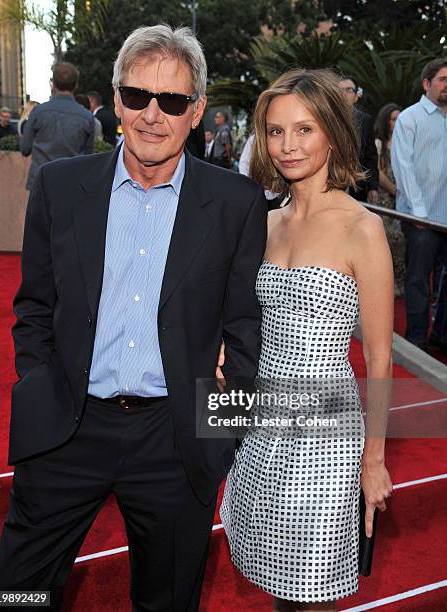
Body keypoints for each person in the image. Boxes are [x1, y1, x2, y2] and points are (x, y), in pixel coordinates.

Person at [0, 24, 267, 612]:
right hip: (66, 426)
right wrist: (40, 389)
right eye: (138, 96)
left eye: (172, 101)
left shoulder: (236, 203)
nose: (152, 115)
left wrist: (217, 435)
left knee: (167, 602)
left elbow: (245, 328)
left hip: (173, 440)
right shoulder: (61, 187)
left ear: (197, 111)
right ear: (115, 100)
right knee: (17, 592)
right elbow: (34, 308)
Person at [220, 69, 393, 611]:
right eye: (275, 131)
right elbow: (244, 320)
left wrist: (375, 460)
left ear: (334, 134)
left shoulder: (361, 228)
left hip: (327, 438)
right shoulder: (267, 223)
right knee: (277, 585)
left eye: (304, 129)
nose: (288, 145)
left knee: (312, 588)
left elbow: (382, 359)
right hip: (263, 424)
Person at [392, 57, 447, 351]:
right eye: (442, 79)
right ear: (427, 84)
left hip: (446, 215)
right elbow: (403, 167)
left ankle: (442, 334)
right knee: (418, 280)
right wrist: (420, 214)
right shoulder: (410, 118)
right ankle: (416, 338)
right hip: (420, 219)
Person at [20, 62, 95, 190]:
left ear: (53, 83)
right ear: (75, 85)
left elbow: (25, 148)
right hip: (71, 184)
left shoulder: (38, 112)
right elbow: (87, 157)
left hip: (40, 182)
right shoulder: (87, 117)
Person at [374, 103, 405, 297]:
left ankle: (399, 284)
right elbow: (377, 172)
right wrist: (394, 189)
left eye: (399, 118)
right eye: (393, 119)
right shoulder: (378, 144)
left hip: (403, 199)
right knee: (387, 240)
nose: (396, 122)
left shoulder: (405, 141)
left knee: (401, 242)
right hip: (384, 200)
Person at [338, 76, 379, 204]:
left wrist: (373, 187)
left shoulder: (365, 120)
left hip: (357, 186)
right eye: (339, 90)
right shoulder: (325, 119)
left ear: (356, 96)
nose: (344, 94)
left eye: (349, 90)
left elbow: (371, 156)